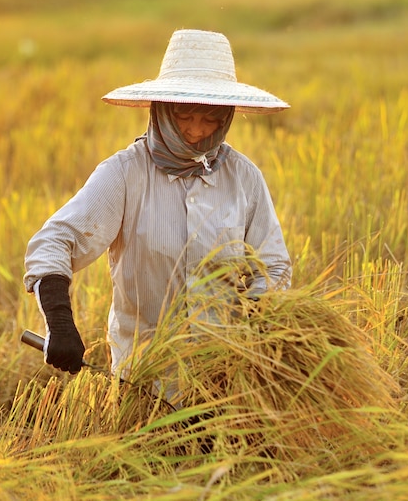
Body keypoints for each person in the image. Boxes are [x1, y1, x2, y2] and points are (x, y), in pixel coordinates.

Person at [23, 29, 292, 379]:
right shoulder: (124, 174)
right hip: (146, 379)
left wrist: (257, 329)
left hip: (226, 380)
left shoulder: (244, 179)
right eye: (184, 115)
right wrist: (60, 324)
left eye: (210, 118)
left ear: (226, 117)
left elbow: (272, 267)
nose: (196, 131)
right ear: (162, 108)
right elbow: (53, 243)